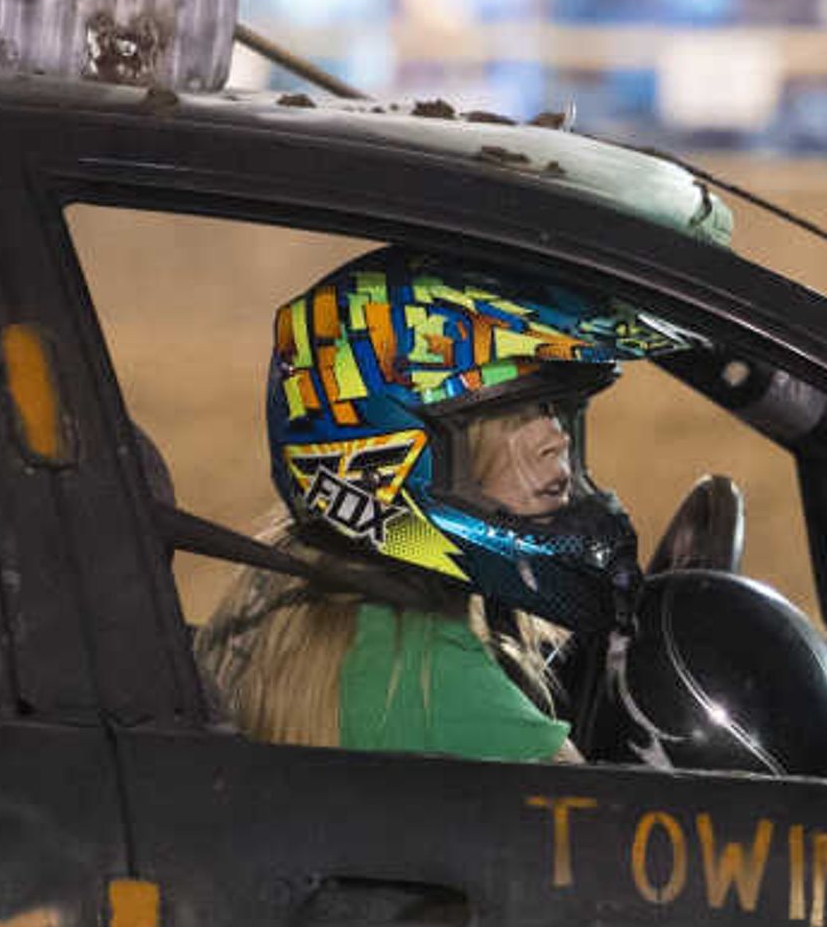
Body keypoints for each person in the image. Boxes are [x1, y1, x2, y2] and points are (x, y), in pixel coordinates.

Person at [199, 253, 687, 759]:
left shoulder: (284, 614)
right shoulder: (441, 687)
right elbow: (610, 827)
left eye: (555, 408)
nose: (555, 438)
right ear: (395, 453)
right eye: (513, 412)